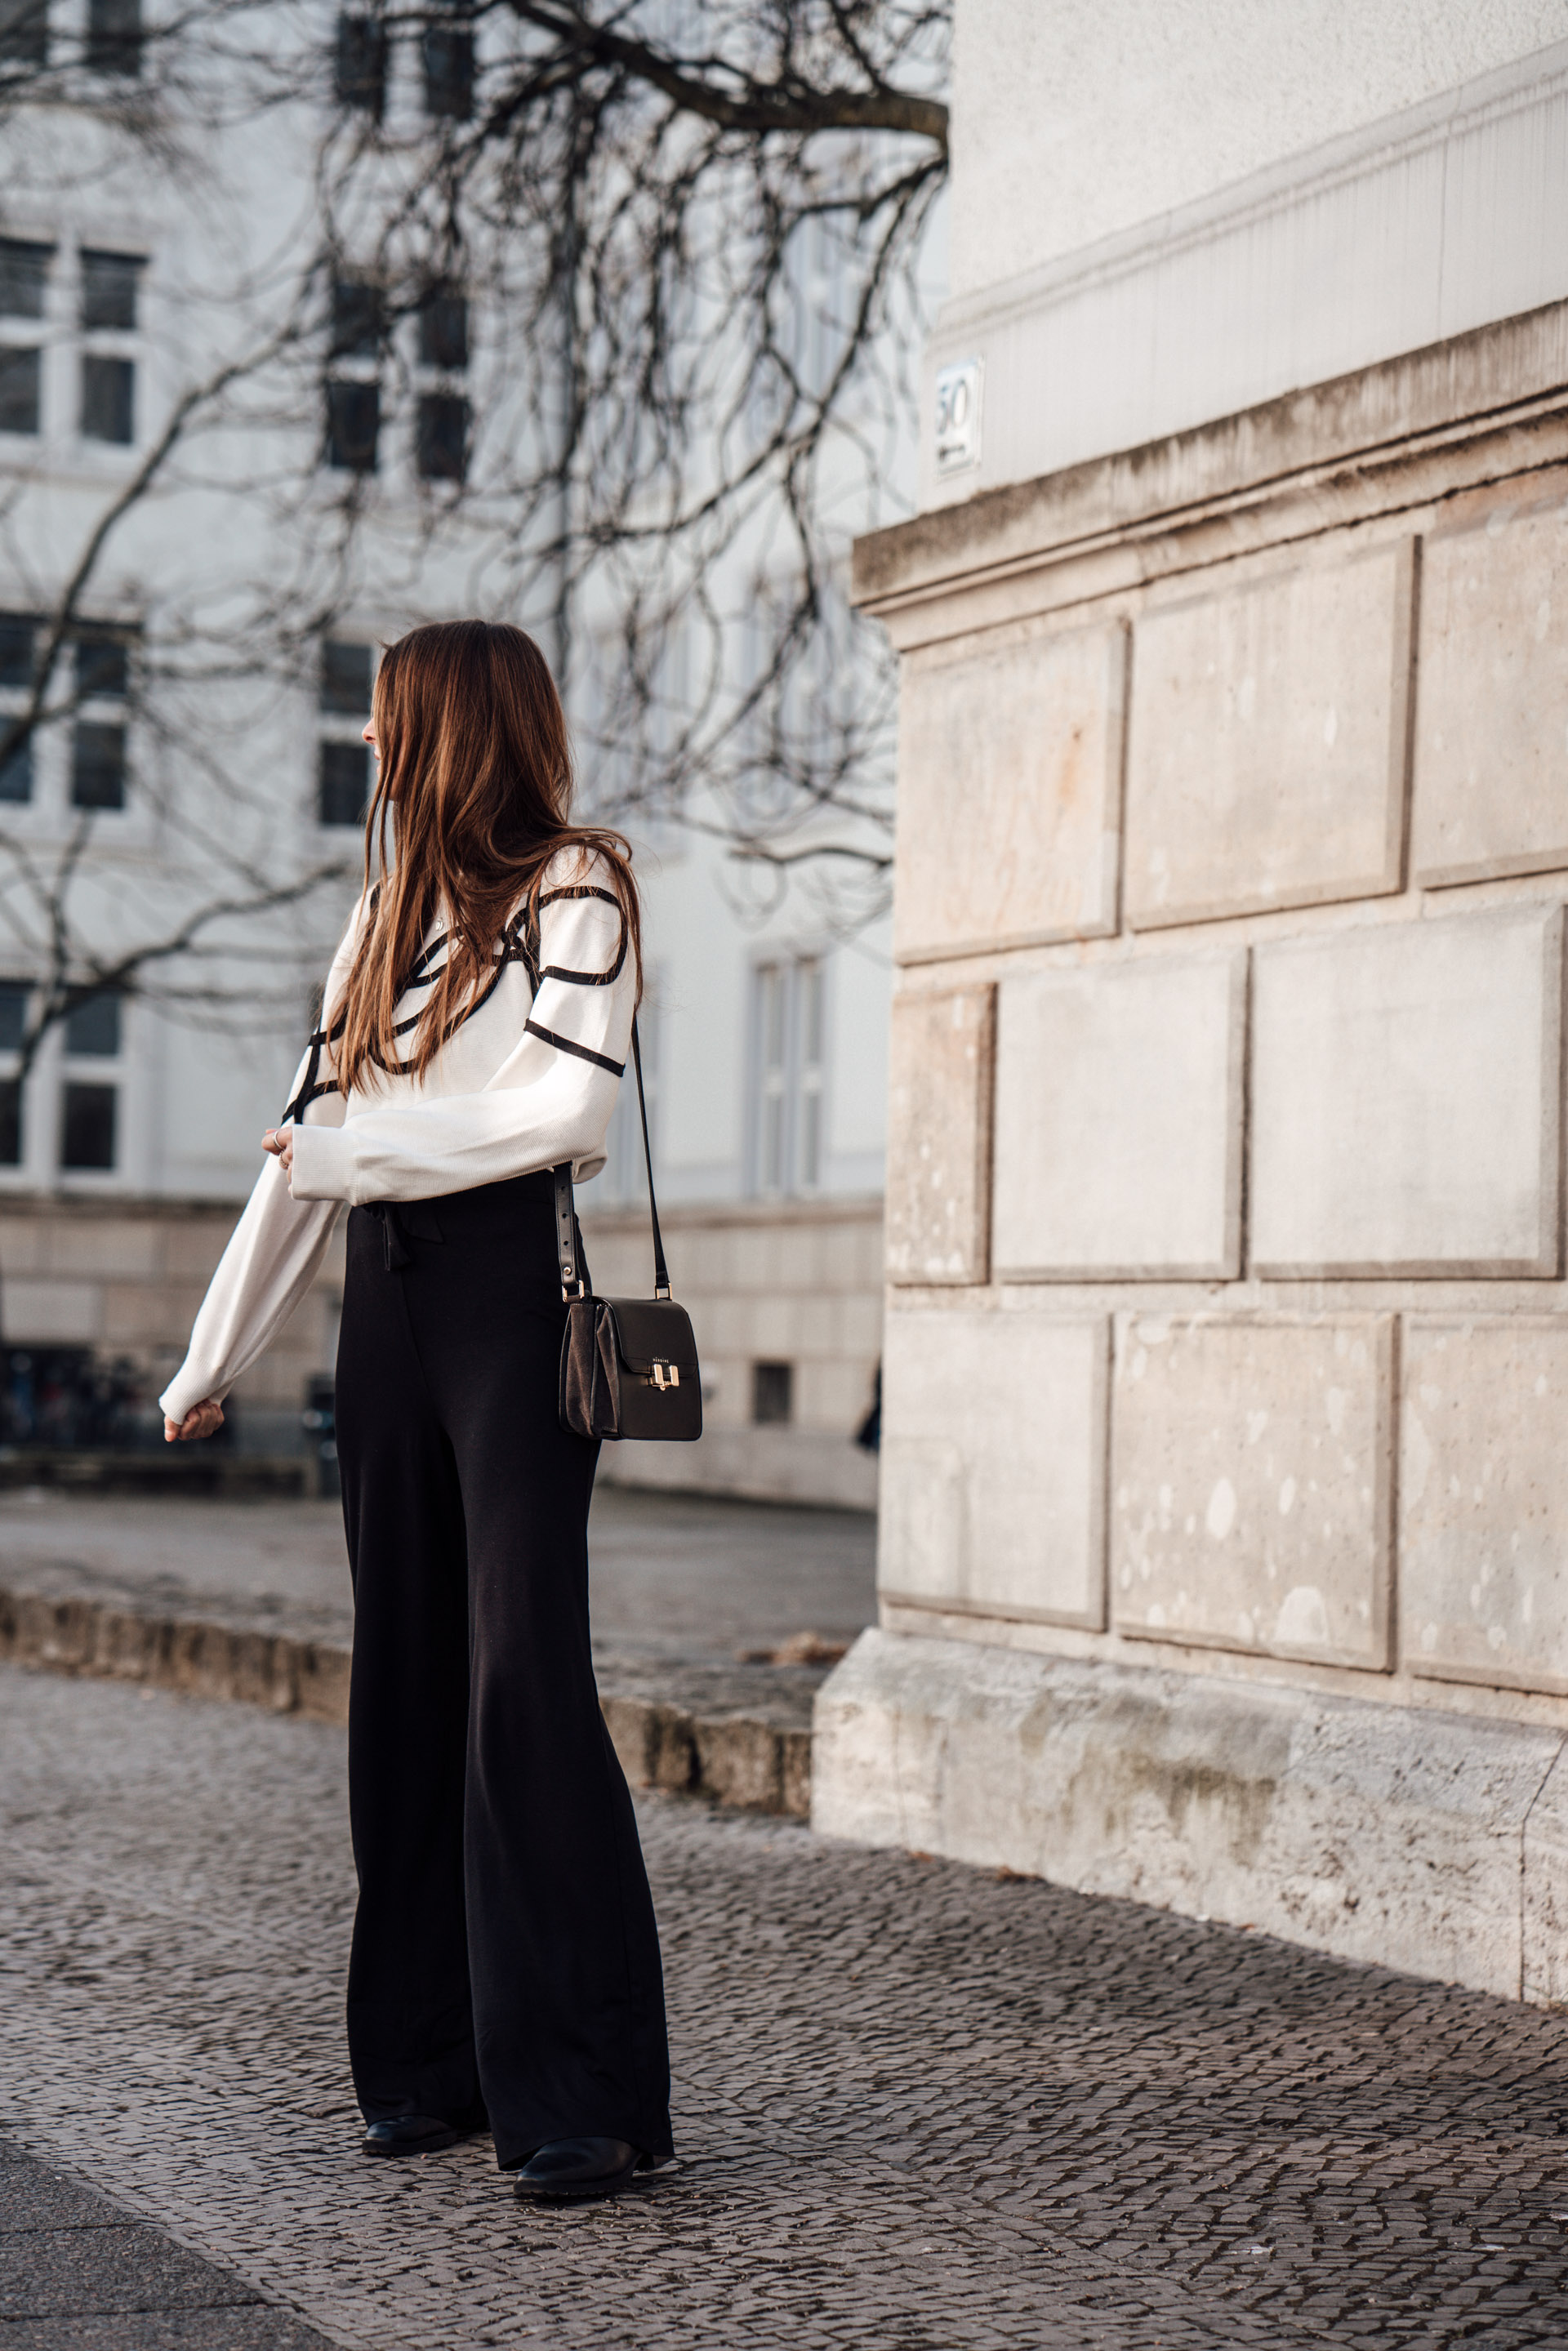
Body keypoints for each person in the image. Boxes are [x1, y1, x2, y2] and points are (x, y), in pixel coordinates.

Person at [159, 620, 673, 2204]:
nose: (371, 751)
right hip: (385, 1309)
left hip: (514, 1305)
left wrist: (359, 1159)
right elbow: (301, 1149)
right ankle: (425, 2069)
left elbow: (563, 1116)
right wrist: (208, 1358)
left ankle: (579, 2097)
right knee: (402, 1683)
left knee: (523, 1676)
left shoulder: (579, 883)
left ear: (452, 728)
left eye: (388, 724)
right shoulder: (379, 918)